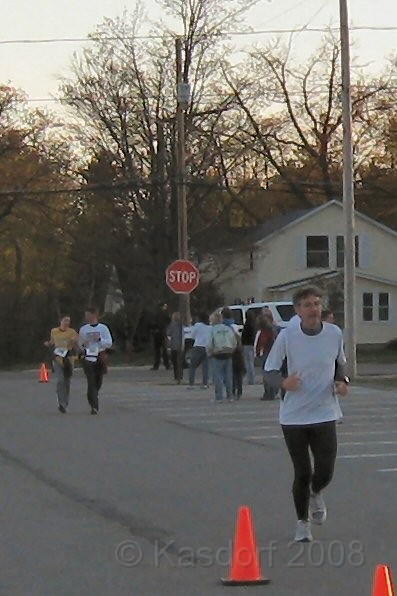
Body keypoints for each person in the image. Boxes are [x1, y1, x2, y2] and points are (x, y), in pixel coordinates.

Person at [263, 286, 349, 543]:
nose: (314, 309)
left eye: (317, 304)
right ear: (298, 310)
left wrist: (342, 382)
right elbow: (269, 371)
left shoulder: (333, 333)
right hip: (294, 416)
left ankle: (316, 490)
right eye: (308, 305)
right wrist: (283, 383)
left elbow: (340, 365)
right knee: (302, 471)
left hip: (324, 412)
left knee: (325, 469)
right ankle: (302, 523)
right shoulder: (288, 336)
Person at [78, 307, 113, 415]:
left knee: (98, 380)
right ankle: (94, 405)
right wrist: (83, 346)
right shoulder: (84, 329)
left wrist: (99, 340)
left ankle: (94, 394)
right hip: (88, 357)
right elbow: (80, 343)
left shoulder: (103, 328)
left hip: (99, 355)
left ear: (94, 315)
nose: (86, 317)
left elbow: (109, 343)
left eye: (88, 314)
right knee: (91, 381)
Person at [44, 315, 78, 414]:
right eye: (65, 320)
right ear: (60, 321)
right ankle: (61, 403)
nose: (67, 322)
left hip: (68, 358)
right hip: (57, 358)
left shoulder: (72, 332)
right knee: (60, 380)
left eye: (69, 321)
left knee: (67, 381)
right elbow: (52, 342)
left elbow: (76, 344)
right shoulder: (54, 331)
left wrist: (75, 342)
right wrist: (48, 344)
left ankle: (65, 403)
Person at [207, 310, 238, 403]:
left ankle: (219, 397)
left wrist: (209, 352)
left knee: (217, 376)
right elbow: (234, 341)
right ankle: (230, 396)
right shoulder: (228, 329)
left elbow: (209, 343)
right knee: (228, 376)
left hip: (217, 353)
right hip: (228, 353)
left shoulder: (212, 330)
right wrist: (232, 350)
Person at [254, 312, 279, 400]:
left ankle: (268, 393)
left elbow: (260, 343)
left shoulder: (263, 332)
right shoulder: (273, 330)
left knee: (266, 374)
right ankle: (273, 391)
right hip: (273, 353)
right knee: (272, 373)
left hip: (266, 353)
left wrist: (258, 353)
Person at [188, 312, 212, 389]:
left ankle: (191, 383)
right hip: (207, 347)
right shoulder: (210, 327)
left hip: (198, 346)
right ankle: (205, 383)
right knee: (205, 367)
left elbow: (192, 335)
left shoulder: (197, 325)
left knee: (193, 365)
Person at [151, 303, 171, 371]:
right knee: (164, 350)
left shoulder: (155, 314)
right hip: (163, 333)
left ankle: (156, 365)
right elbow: (169, 321)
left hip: (156, 333)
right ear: (162, 307)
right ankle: (167, 365)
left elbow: (152, 323)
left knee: (157, 351)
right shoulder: (165, 314)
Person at [167, 311, 184, 383]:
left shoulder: (171, 325)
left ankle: (176, 376)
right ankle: (180, 375)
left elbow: (168, 333)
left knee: (174, 361)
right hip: (181, 345)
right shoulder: (181, 325)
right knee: (180, 361)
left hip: (174, 345)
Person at [241, 310, 257, 385]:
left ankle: (250, 380)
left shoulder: (247, 325)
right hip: (253, 344)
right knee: (251, 363)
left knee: (248, 363)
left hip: (247, 344)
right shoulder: (254, 324)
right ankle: (252, 379)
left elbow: (244, 336)